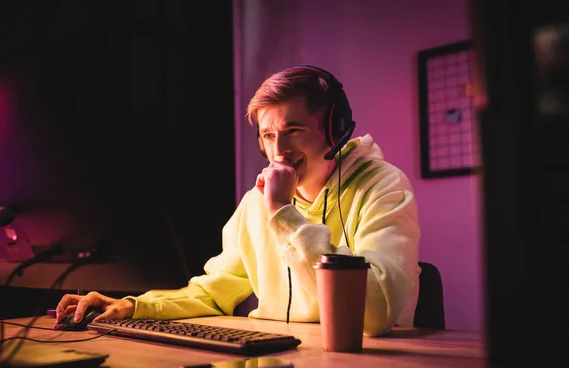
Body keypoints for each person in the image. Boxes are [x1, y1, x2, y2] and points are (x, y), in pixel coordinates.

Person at [55, 65, 421, 337]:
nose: (279, 151)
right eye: (268, 136)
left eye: (293, 131)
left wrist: (284, 215)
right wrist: (134, 306)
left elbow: (372, 316)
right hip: (284, 364)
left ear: (335, 130)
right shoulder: (254, 204)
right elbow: (214, 292)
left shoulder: (383, 187)